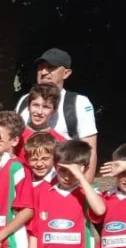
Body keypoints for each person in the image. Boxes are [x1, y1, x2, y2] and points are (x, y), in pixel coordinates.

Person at [15, 48, 99, 177]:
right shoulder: (24, 100)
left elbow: (89, 151)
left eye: (51, 68)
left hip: (60, 183)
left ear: (66, 73)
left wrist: (85, 191)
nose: (43, 72)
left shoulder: (79, 103)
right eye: (41, 67)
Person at [15, 82, 66, 164]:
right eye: (35, 105)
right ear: (28, 106)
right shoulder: (16, 136)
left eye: (46, 107)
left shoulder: (60, 142)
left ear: (54, 111)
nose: (39, 112)